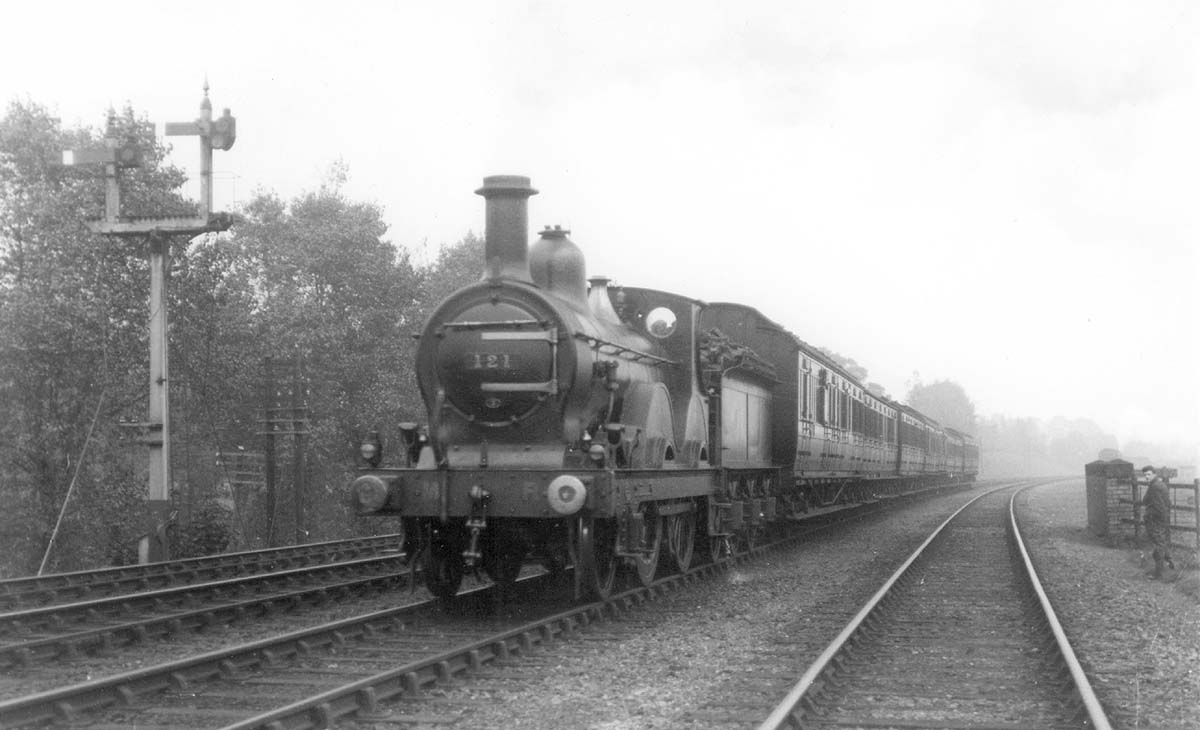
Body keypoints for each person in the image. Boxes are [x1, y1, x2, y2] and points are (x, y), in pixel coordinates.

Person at [1140, 465, 1174, 578]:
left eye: (1149, 474)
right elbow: (1168, 503)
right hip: (1160, 518)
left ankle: (1159, 573)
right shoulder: (1160, 485)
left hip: (1155, 519)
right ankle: (1169, 563)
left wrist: (1151, 516)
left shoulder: (1154, 486)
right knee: (1161, 541)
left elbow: (1152, 503)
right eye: (1145, 475)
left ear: (1154, 474)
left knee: (1159, 543)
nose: (1146, 477)